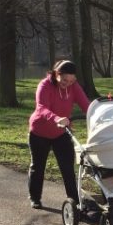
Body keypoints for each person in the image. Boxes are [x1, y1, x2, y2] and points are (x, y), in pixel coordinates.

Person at [27, 59, 90, 209]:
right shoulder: (45, 85)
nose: (67, 83)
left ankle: (74, 202)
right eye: (64, 80)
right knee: (38, 166)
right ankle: (35, 197)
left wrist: (97, 115)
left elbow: (86, 105)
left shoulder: (74, 87)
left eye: (71, 80)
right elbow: (41, 108)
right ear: (56, 74)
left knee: (67, 168)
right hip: (39, 132)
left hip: (61, 133)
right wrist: (56, 118)